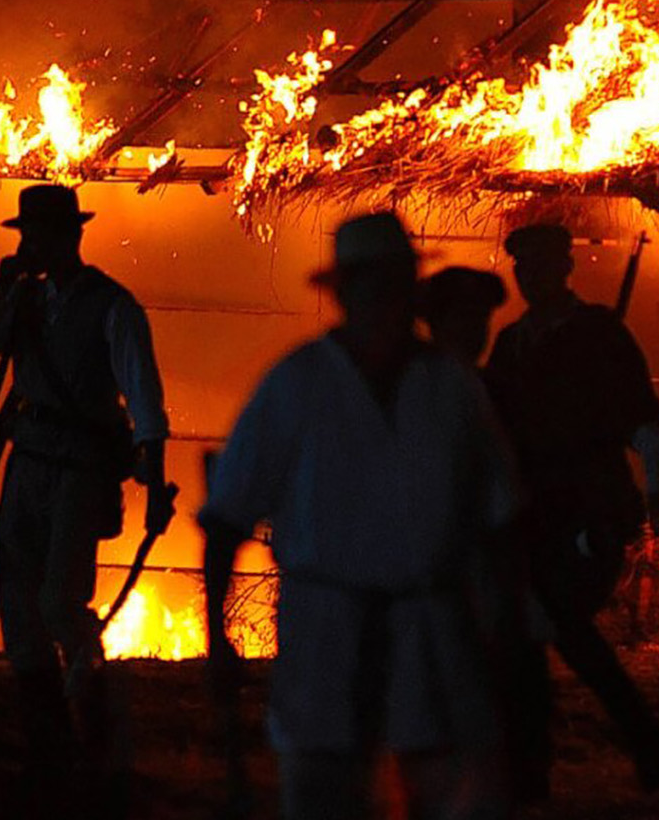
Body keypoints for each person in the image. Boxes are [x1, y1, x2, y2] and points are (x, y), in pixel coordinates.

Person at [202, 212, 521, 820]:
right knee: (325, 795)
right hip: (326, 633)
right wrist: (219, 642)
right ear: (344, 293)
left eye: (394, 282)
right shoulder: (297, 386)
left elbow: (501, 522)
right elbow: (225, 521)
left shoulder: (450, 391)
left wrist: (503, 633)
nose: (383, 298)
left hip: (432, 632)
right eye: (368, 284)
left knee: (456, 795)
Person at [0, 183, 171, 775]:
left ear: (70, 237)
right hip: (27, 466)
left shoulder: (113, 306)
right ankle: (47, 740)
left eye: (39, 235)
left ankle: (91, 711)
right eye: (26, 236)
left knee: (59, 602)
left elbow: (144, 399)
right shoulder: (23, 304)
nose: (31, 246)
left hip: (80, 472)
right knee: (19, 610)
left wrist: (153, 477)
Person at [484, 221, 659, 799]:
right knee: (536, 633)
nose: (529, 275)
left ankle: (638, 741)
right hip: (532, 513)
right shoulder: (512, 344)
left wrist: (658, 491)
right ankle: (537, 768)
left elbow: (642, 419)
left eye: (540, 265)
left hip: (589, 510)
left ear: (564, 269)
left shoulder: (599, 336)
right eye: (522, 266)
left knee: (558, 621)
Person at [419, 266, 509, 365]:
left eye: (483, 317)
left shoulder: (480, 378)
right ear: (437, 322)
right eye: (464, 317)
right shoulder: (418, 377)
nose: (475, 329)